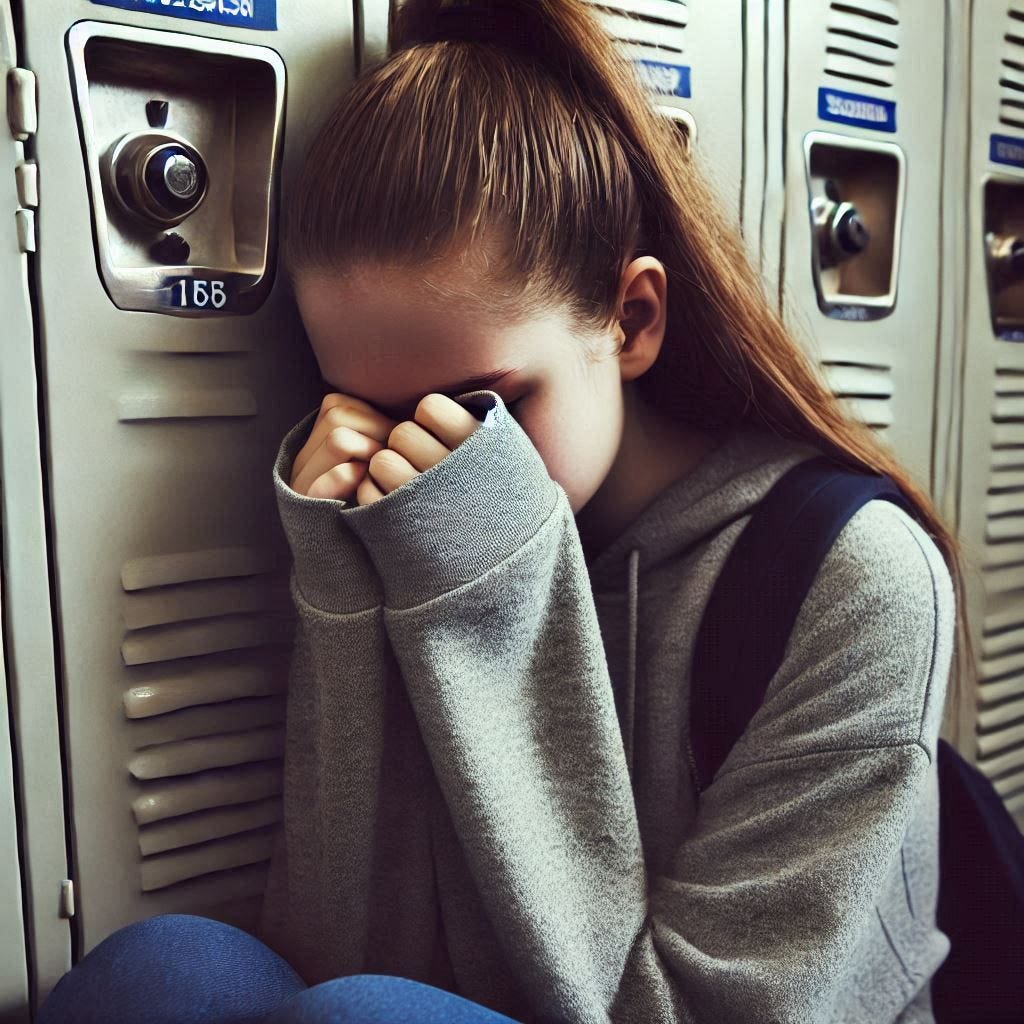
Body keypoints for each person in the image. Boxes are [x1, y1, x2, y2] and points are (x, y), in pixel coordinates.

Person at [38, 0, 975, 1021]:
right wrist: (345, 584)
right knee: (163, 972)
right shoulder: (390, 503)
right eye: (371, 412)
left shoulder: (853, 577)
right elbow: (339, 946)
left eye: (483, 405)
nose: (419, 463)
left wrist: (492, 587)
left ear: (631, 320)